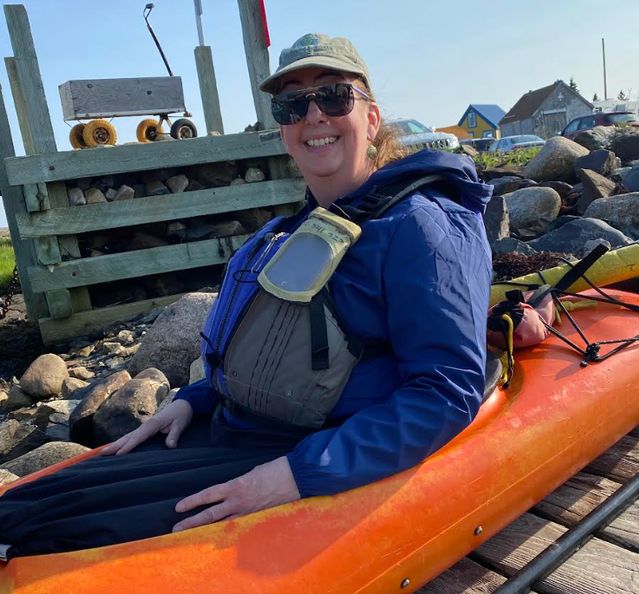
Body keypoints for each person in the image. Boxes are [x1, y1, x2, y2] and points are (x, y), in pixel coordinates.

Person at [0, 33, 492, 559]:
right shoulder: (288, 232)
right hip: (229, 431)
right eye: (292, 103)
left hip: (305, 451)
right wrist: (195, 398)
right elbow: (266, 349)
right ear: (282, 129)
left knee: (51, 540)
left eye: (334, 96)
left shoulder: (423, 227)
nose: (314, 115)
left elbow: (444, 390)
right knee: (24, 507)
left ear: (370, 118)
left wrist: (297, 474)